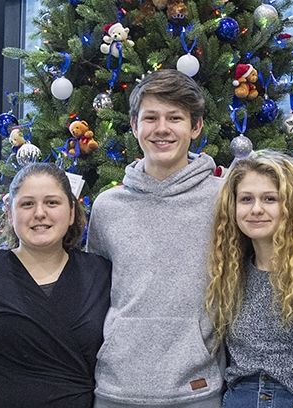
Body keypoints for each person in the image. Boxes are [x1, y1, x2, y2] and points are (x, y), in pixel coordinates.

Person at [88, 68, 224, 408]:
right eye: (151, 118)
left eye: (175, 118)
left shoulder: (225, 199)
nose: (161, 129)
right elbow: (95, 293)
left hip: (197, 389)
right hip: (115, 388)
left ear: (196, 127)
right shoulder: (107, 207)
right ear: (135, 127)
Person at [0, 162, 111, 408]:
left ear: (71, 211)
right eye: (27, 204)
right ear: (10, 213)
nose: (39, 213)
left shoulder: (101, 275)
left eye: (52, 203)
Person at [206, 150, 293, 408]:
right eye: (246, 199)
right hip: (239, 398)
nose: (256, 209)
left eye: (270, 199)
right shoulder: (230, 271)